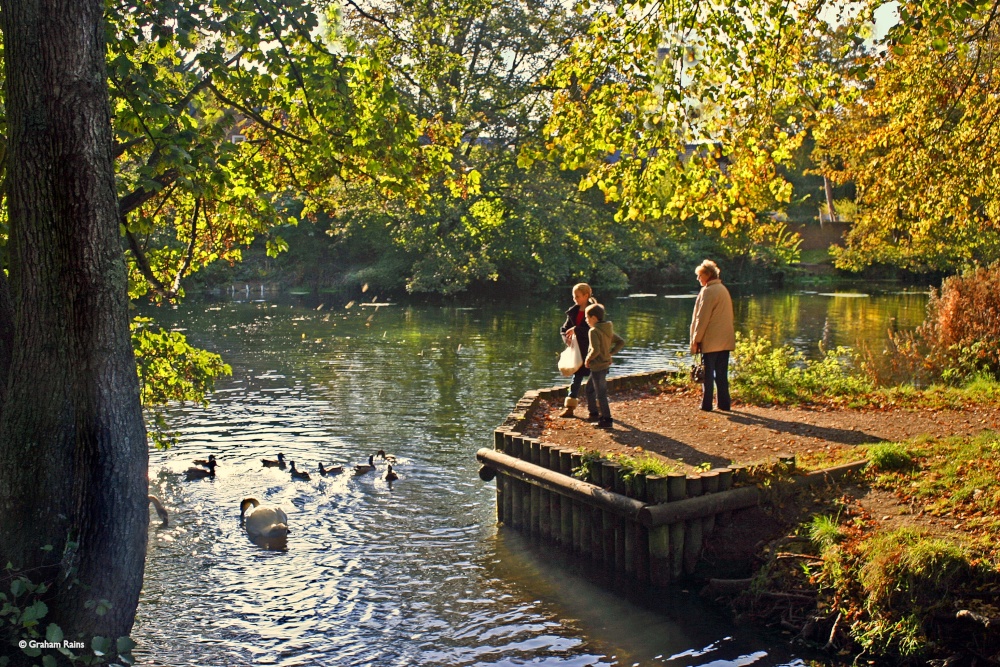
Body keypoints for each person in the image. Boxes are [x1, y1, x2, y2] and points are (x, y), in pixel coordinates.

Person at [690, 259, 735, 412]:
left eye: (700, 275)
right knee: (722, 374)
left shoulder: (708, 291)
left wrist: (696, 340)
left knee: (708, 373)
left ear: (708, 275)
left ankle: (706, 404)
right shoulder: (723, 289)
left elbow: (701, 319)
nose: (698, 279)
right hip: (725, 340)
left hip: (711, 341)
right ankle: (724, 403)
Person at [584, 303, 625, 429]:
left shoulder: (594, 331)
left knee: (600, 393)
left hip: (598, 366)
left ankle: (606, 419)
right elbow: (621, 341)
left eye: (587, 318)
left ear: (594, 318)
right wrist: (610, 353)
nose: (586, 320)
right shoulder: (607, 329)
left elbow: (595, 350)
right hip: (604, 365)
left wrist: (587, 359)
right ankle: (594, 414)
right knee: (589, 389)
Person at [559, 283, 596, 418]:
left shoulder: (595, 310)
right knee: (576, 380)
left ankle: (595, 411)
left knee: (594, 384)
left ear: (586, 296)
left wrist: (577, 329)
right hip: (578, 352)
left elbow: (596, 330)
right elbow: (564, 329)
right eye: (574, 296)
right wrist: (567, 339)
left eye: (577, 296)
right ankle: (569, 408)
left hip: (593, 351)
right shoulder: (573, 311)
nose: (575, 299)